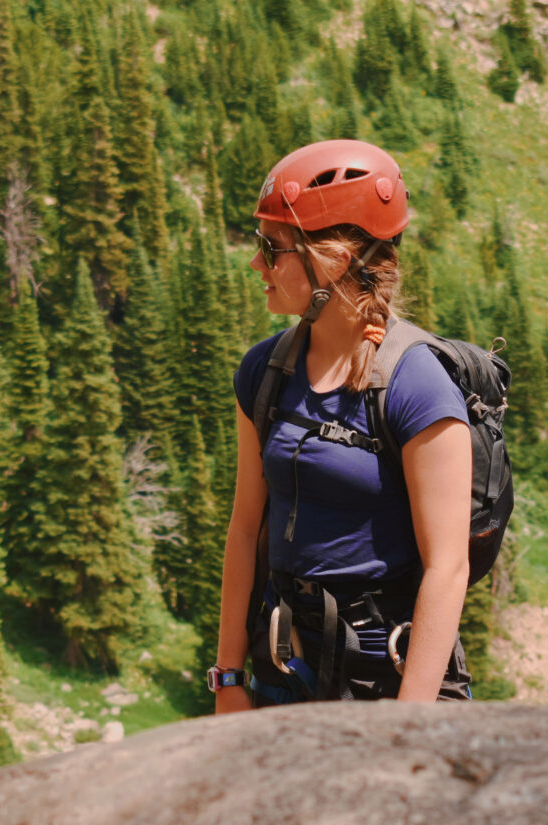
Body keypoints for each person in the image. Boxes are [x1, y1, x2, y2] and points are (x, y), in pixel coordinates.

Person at [210, 139, 473, 713]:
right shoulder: (263, 373)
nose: (257, 262)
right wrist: (228, 679)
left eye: (272, 247)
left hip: (392, 678)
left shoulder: (416, 385)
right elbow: (245, 529)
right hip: (285, 672)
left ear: (334, 257)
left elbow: (448, 567)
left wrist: (410, 723)